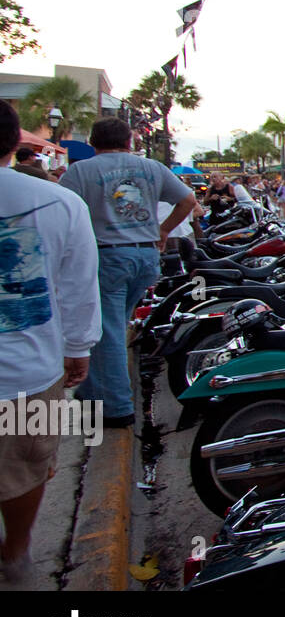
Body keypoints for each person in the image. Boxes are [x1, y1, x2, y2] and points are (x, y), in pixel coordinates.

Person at [0, 103, 102, 583]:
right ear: (13, 143)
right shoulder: (59, 203)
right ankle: (16, 551)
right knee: (27, 463)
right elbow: (79, 286)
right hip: (28, 371)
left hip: (29, 367)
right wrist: (79, 349)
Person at [60, 116, 197, 426]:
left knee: (107, 330)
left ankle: (118, 407)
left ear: (93, 143)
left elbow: (63, 212)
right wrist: (163, 231)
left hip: (107, 257)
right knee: (113, 325)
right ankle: (93, 390)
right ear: (129, 142)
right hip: (145, 257)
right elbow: (188, 200)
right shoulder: (151, 167)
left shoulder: (81, 170)